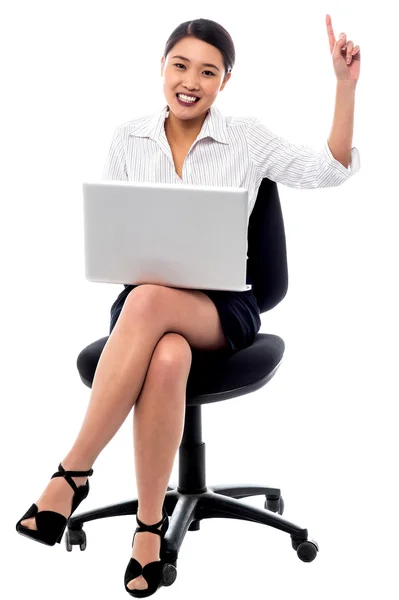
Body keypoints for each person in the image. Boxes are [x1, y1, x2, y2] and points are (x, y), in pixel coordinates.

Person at [16, 16, 360, 597]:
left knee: (151, 303)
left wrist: (344, 86)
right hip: (146, 314)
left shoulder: (247, 139)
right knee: (167, 353)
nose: (191, 81)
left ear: (225, 80)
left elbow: (327, 170)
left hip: (223, 308)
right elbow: (114, 238)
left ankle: (71, 474)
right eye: (180, 66)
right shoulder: (129, 138)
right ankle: (149, 532)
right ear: (162, 67)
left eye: (208, 71)